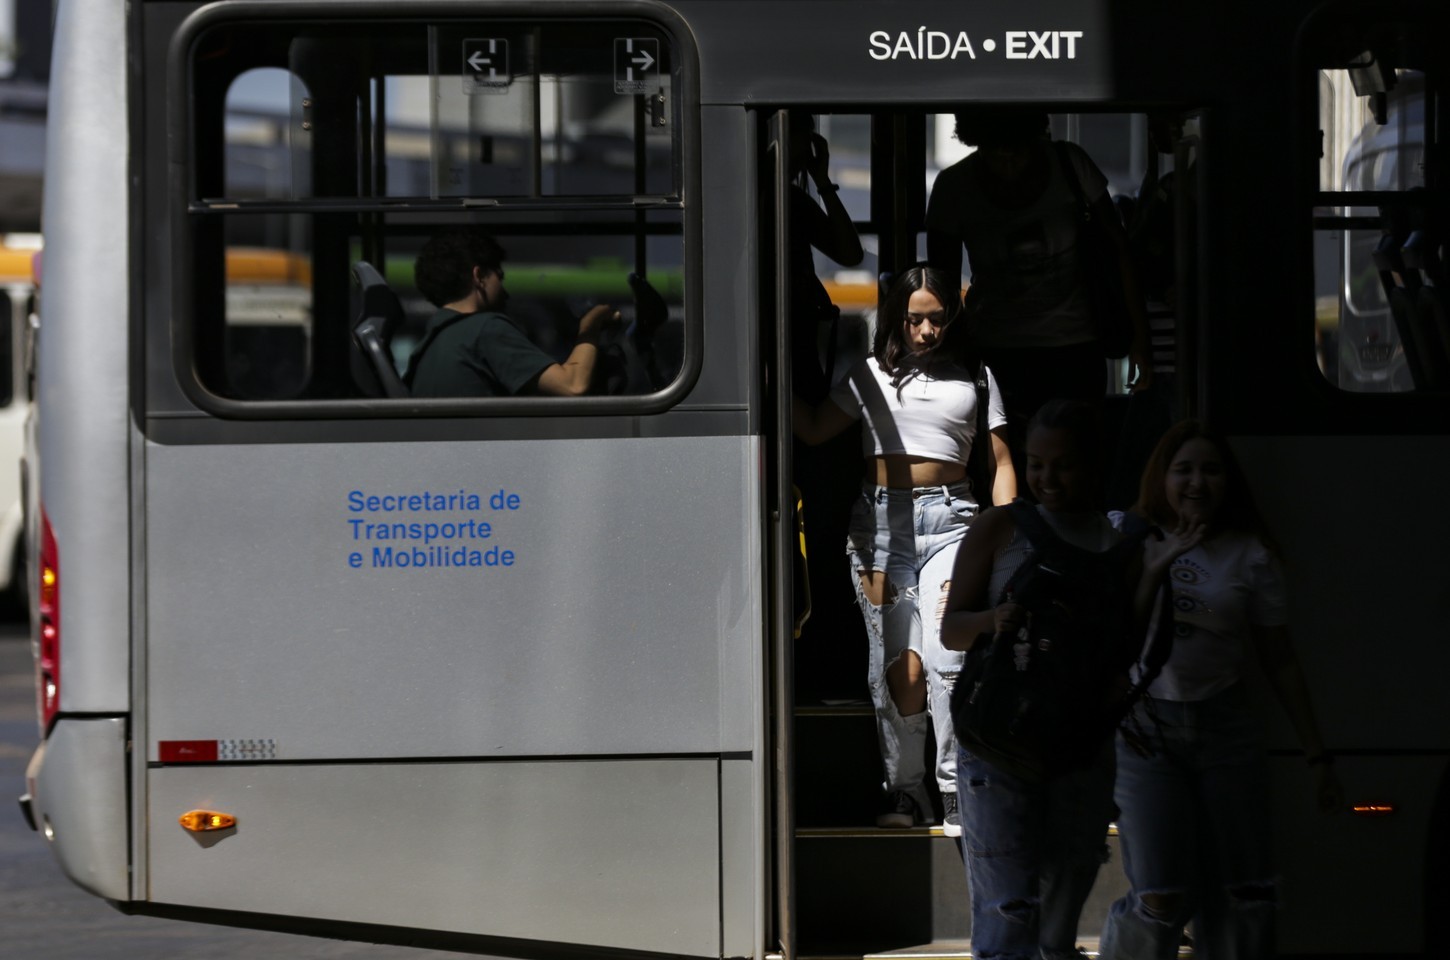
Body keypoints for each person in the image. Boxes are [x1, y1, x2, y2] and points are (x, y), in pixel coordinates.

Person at [1099, 421, 1342, 960]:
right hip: (1146, 731)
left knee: (1243, 893)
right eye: (1183, 469)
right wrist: (1155, 567)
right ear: (1162, 477)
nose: (1196, 482)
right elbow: (1114, 639)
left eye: (1211, 470)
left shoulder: (1250, 554)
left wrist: (1317, 754)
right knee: (1161, 895)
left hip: (1225, 728)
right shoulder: (1129, 536)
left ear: (1228, 481)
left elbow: (1279, 659)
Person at [793, 265, 1016, 836]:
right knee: (901, 670)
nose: (925, 331)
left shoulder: (977, 377)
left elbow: (1001, 463)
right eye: (914, 319)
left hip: (954, 524)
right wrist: (759, 374)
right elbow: (815, 428)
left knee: (948, 659)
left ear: (952, 319)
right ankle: (906, 790)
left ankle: (956, 788)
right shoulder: (870, 374)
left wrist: (1009, 534)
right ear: (896, 317)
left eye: (936, 319)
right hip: (878, 529)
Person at [937, 398, 1162, 960]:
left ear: (1092, 466)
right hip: (998, 744)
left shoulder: (1118, 542)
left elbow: (1129, 646)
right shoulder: (1000, 527)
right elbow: (952, 630)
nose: (1046, 478)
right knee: (1008, 912)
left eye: (1063, 465)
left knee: (1057, 918)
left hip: (1079, 747)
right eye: (1036, 464)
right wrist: (992, 621)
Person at [925, 109, 1150, 476]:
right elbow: (942, 282)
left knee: (1074, 462)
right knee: (1013, 464)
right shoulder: (956, 185)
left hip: (1072, 343)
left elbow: (1118, 248)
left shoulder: (1068, 164)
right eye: (996, 154)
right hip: (1002, 348)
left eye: (1018, 152)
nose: (1008, 165)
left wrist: (1139, 339)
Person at [405, 229, 619, 397]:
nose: (506, 293)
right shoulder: (485, 329)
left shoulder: (427, 346)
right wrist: (590, 326)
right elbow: (573, 385)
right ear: (479, 276)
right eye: (499, 277)